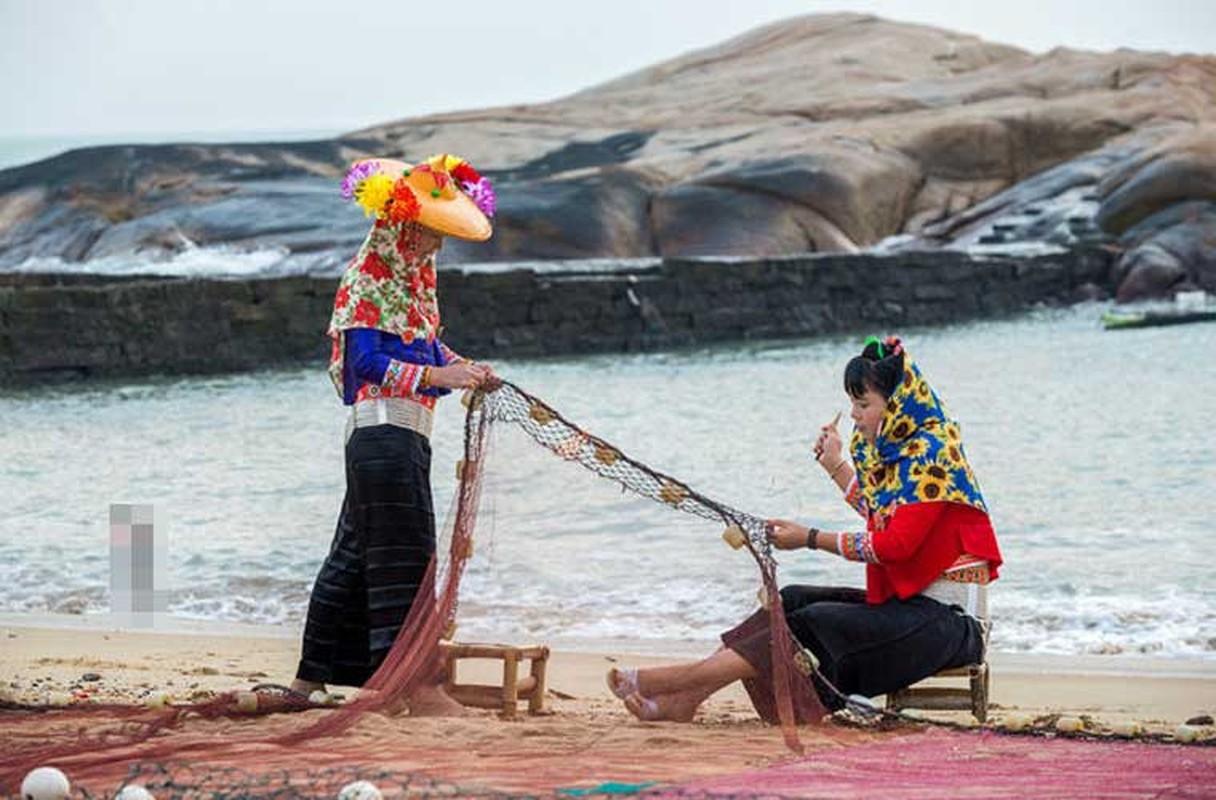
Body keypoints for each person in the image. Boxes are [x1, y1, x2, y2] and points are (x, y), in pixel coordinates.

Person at [607, 336, 1003, 723]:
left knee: (816, 623)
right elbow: (882, 514)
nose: (853, 414)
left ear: (897, 405)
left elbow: (894, 545)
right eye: (852, 403)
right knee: (793, 600)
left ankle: (679, 678)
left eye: (863, 404)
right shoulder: (904, 453)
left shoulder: (932, 451)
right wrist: (834, 465)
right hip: (913, 610)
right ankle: (689, 698)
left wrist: (809, 539)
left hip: (951, 625)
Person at [288, 154, 498, 715]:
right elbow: (364, 363)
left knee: (355, 556)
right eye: (430, 234)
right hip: (383, 438)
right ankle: (413, 688)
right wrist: (440, 376)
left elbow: (427, 349)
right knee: (407, 556)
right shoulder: (367, 281)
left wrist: (467, 368)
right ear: (402, 228)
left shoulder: (410, 288)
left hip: (397, 440)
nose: (436, 247)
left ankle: (311, 681)